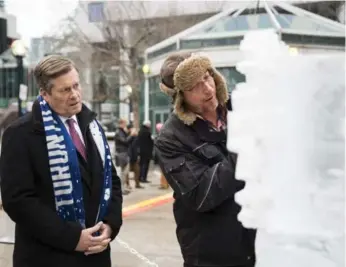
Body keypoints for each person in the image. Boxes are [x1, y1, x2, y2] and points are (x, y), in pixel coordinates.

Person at [0, 55, 123, 267]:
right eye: (65, 90)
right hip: (47, 257)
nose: (75, 95)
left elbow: (111, 181)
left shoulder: (93, 126)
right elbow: (18, 201)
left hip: (96, 255)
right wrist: (73, 238)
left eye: (76, 86)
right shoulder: (20, 134)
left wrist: (110, 226)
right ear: (45, 94)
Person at [155, 52, 256, 267]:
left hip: (259, 241)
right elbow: (200, 195)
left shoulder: (243, 108)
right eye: (194, 86)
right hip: (213, 253)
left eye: (207, 78)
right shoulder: (171, 138)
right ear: (180, 95)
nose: (208, 89)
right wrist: (247, 150)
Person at [114, 118, 136, 194]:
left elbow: (127, 140)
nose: (126, 125)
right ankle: (121, 189)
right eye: (125, 124)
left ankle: (122, 188)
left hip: (124, 153)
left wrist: (130, 134)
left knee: (125, 172)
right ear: (122, 123)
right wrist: (131, 135)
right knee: (123, 172)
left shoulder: (122, 131)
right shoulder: (119, 132)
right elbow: (125, 141)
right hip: (122, 154)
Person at [127, 124, 143, 189]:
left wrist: (138, 155)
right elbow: (126, 142)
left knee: (137, 170)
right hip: (129, 156)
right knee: (126, 172)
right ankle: (127, 185)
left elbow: (137, 146)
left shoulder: (136, 137)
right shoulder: (127, 135)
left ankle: (137, 184)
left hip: (135, 156)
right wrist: (131, 135)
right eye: (132, 129)